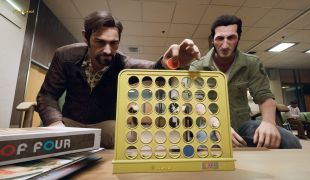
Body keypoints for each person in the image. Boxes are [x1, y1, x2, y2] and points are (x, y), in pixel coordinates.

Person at [36, 11, 200, 148]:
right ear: (86, 37)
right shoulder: (64, 56)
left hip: (105, 126)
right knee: (42, 134)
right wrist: (55, 124)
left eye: (114, 43)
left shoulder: (124, 64)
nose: (108, 50)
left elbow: (155, 69)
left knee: (131, 138)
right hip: (69, 123)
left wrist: (173, 61)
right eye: (100, 42)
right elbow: (47, 95)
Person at [189, 15, 301, 149]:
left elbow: (264, 97)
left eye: (230, 38)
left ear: (238, 38)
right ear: (213, 40)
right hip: (209, 125)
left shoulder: (251, 63)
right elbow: (196, 102)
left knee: (290, 141)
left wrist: (269, 123)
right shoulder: (198, 66)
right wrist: (219, 126)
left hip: (241, 125)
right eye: (220, 38)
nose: (225, 45)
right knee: (208, 151)